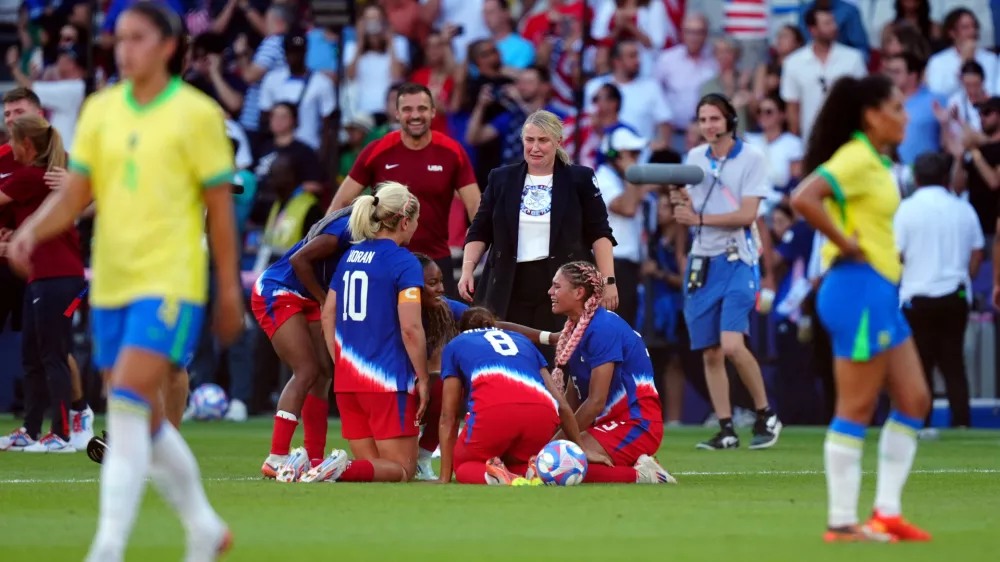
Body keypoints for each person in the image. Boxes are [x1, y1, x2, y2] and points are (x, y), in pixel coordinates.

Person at [7, 3, 244, 559]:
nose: (125, 48)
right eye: (119, 38)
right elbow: (73, 194)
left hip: (170, 278)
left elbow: (221, 207)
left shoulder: (197, 115)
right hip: (112, 279)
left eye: (138, 38)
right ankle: (205, 527)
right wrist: (31, 232)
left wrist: (229, 287)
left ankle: (108, 546)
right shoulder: (101, 110)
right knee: (145, 415)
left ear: (167, 45)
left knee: (129, 403)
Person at [790, 73, 932, 542]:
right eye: (897, 106)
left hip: (880, 292)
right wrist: (844, 243)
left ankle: (887, 513)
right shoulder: (855, 157)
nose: (906, 115)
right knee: (857, 406)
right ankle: (842, 522)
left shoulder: (873, 159)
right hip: (857, 289)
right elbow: (804, 197)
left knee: (914, 399)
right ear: (873, 115)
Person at [460, 110, 618, 362]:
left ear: (558, 141)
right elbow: (480, 229)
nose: (535, 147)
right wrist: (468, 269)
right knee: (508, 359)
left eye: (543, 140)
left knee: (561, 359)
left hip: (562, 284)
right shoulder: (501, 178)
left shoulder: (580, 178)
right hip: (508, 283)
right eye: (529, 140)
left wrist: (608, 281)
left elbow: (600, 234)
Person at [671, 93, 782, 450]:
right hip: (702, 260)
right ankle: (726, 427)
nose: (709, 126)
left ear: (730, 120)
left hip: (738, 259)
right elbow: (686, 204)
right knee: (710, 351)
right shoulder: (693, 157)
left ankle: (765, 413)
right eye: (703, 120)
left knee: (733, 344)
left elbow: (748, 215)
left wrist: (697, 218)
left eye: (715, 119)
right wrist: (678, 201)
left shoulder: (751, 157)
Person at [310, 182, 429, 484]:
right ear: (404, 221)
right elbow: (411, 329)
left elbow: (328, 313)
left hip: (349, 382)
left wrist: (340, 362)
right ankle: (339, 467)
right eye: (415, 221)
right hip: (387, 381)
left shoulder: (349, 256)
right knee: (402, 471)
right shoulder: (404, 261)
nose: (416, 228)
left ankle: (329, 467)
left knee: (373, 472)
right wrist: (424, 377)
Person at [330, 82, 480, 298]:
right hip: (382, 261)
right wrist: (327, 248)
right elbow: (341, 202)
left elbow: (476, 205)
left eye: (422, 109)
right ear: (397, 114)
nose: (415, 115)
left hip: (435, 261)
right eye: (408, 109)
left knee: (442, 330)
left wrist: (477, 253)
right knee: (385, 329)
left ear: (433, 111)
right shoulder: (376, 150)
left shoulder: (452, 151)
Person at [437, 307, 613, 485]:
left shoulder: (456, 344)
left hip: (494, 412)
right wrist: (581, 447)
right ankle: (531, 471)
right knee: (520, 461)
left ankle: (496, 476)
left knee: (464, 464)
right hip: (542, 414)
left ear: (462, 330)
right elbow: (562, 404)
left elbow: (448, 416)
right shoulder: (522, 341)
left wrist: (444, 477)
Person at [541, 260, 675, 484]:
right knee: (547, 457)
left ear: (579, 292)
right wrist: (554, 437)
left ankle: (645, 474)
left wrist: (554, 445)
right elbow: (572, 397)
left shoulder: (602, 329)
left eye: (557, 286)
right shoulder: (576, 329)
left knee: (555, 467)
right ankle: (633, 463)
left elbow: (596, 402)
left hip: (636, 424)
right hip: (607, 422)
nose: (550, 292)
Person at [0, 114, 85, 453]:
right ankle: (32, 429)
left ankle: (61, 434)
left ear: (27, 145)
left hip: (58, 276)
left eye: (12, 140)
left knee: (53, 355)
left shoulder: (31, 176)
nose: (9, 147)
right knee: (34, 355)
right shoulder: (40, 177)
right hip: (42, 276)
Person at [256, 206, 354, 477]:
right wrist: (324, 300)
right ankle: (276, 457)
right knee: (307, 370)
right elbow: (300, 260)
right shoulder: (344, 231)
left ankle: (314, 459)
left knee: (322, 375)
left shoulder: (371, 233)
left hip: (310, 295)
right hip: (280, 290)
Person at [895, 152, 983, 430]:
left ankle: (922, 423)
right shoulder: (963, 209)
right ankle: (962, 424)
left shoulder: (906, 210)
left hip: (917, 297)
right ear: (946, 177)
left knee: (920, 365)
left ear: (916, 178)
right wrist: (964, 277)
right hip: (954, 295)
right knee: (953, 363)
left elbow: (896, 254)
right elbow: (977, 251)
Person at [411, 252, 467, 480]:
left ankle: (423, 457)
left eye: (441, 281)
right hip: (388, 389)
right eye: (432, 283)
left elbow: (486, 322)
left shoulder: (443, 308)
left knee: (449, 387)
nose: (441, 289)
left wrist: (545, 337)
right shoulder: (387, 311)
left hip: (418, 387)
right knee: (397, 467)